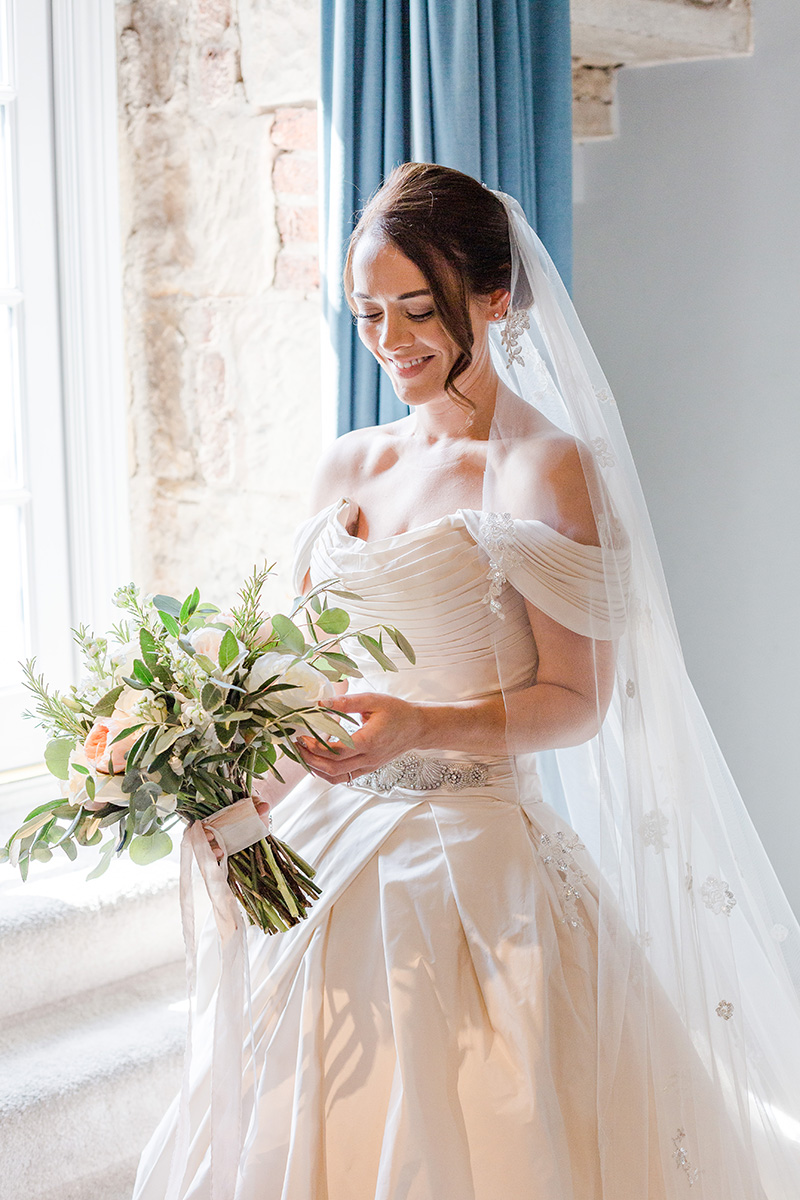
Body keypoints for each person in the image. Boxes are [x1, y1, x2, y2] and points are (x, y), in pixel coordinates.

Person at [133, 163, 800, 1199]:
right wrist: (224, 791)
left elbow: (575, 703)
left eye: (417, 309)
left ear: (492, 298)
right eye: (366, 313)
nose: (391, 341)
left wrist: (416, 726)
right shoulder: (345, 467)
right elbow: (301, 684)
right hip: (325, 853)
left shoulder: (542, 466)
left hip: (474, 860)